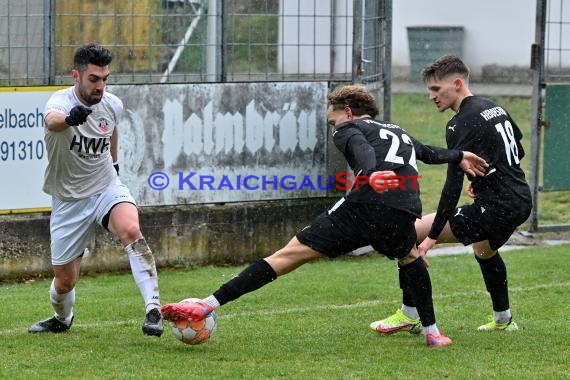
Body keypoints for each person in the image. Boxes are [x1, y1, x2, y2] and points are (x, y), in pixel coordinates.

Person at [160, 84, 488, 348]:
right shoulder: (396, 130)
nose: (333, 126)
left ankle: (207, 305)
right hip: (403, 209)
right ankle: (432, 333)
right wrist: (458, 155)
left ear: (346, 112)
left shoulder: (348, 127)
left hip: (363, 205)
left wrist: (368, 175)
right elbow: (428, 152)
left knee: (286, 257)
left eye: (332, 119)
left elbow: (360, 149)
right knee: (410, 257)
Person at [371, 55, 532, 335]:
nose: (431, 97)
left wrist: (433, 235)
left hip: (498, 206)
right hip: (519, 199)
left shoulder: (460, 123)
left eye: (436, 89)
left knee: (410, 232)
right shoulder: (493, 107)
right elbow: (516, 152)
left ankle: (410, 314)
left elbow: (451, 185)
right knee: (484, 249)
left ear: (456, 84)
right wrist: (481, 180)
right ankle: (504, 319)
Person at [28, 43, 163, 336]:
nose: (100, 86)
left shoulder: (113, 104)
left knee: (130, 229)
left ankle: (154, 310)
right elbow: (52, 122)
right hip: (68, 200)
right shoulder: (60, 103)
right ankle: (61, 319)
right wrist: (70, 119)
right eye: (93, 79)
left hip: (105, 187)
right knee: (65, 282)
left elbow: (111, 129)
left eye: (105, 79)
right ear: (75, 75)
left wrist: (114, 167)